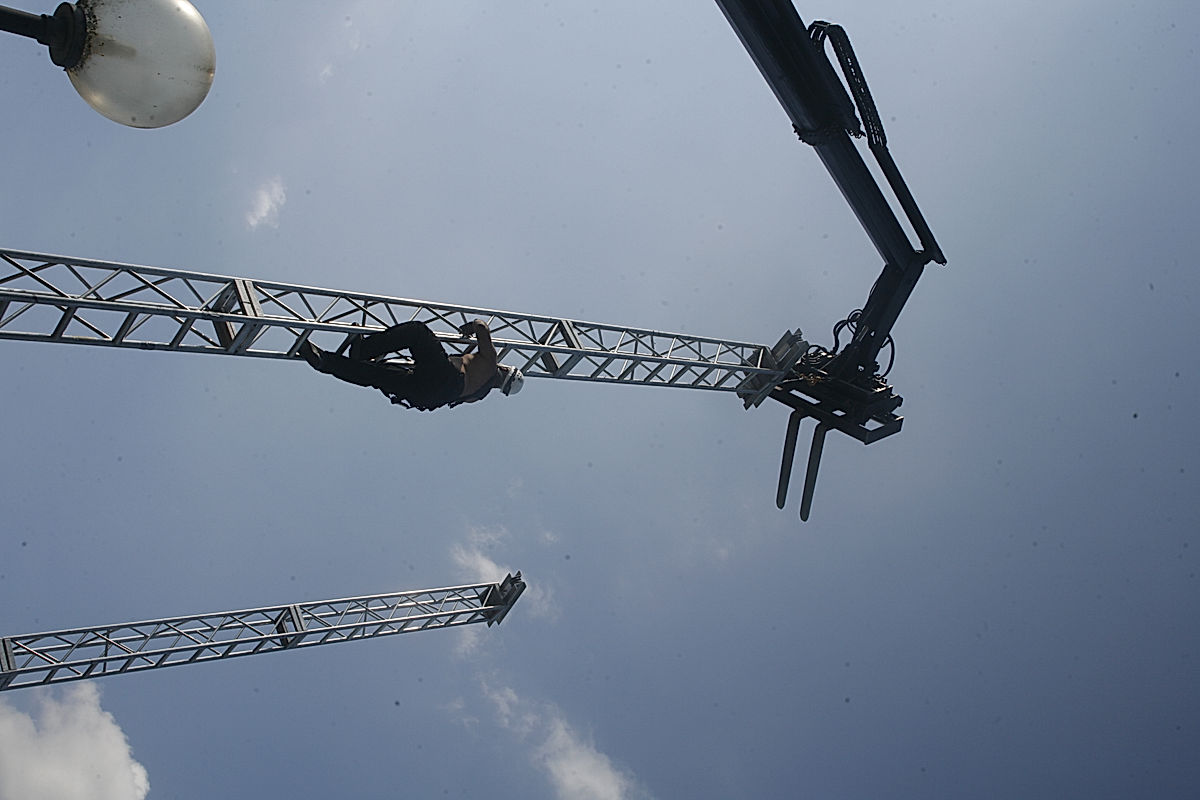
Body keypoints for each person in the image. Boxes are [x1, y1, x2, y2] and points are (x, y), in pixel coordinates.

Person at [298, 319, 524, 411]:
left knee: (417, 332)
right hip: (430, 398)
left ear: (506, 371)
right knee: (378, 375)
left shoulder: (491, 362)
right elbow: (450, 388)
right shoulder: (478, 396)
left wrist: (471, 326)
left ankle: (364, 349)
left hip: (445, 378)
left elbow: (482, 328)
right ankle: (324, 361)